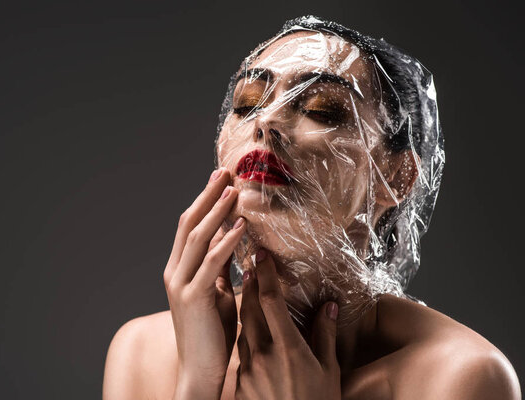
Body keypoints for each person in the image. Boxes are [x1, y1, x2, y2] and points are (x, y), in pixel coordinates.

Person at [102, 16, 521, 400]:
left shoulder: (460, 378)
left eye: (321, 109)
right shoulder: (145, 354)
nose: (264, 121)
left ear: (396, 177)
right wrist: (196, 382)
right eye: (246, 103)